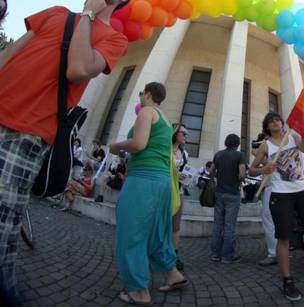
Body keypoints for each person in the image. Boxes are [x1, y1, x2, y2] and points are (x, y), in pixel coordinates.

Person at [0, 0, 128, 297]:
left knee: (3, 226)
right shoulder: (56, 12)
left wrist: (88, 15)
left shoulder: (114, 38)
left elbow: (79, 68)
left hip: (27, 132)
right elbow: (10, 52)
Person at [109, 82, 187, 305]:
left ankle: (138, 291)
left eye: (142, 93)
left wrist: (116, 146)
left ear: (149, 94)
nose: (140, 96)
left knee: (130, 233)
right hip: (161, 183)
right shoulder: (163, 117)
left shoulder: (146, 111)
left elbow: (139, 143)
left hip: (143, 179)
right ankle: (173, 274)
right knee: (156, 233)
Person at [249, 112, 304, 302]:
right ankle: (287, 280)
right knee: (284, 239)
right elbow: (251, 169)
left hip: (303, 190)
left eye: (278, 120)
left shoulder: (292, 137)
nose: (275, 122)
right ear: (267, 126)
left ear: (282, 123)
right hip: (280, 194)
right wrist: (263, 169)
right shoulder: (266, 145)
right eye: (271, 121)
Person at [209, 134, 247, 264]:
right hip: (232, 193)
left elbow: (211, 171)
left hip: (219, 192)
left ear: (226, 142)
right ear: (237, 144)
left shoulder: (218, 154)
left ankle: (215, 254)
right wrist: (241, 178)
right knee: (229, 225)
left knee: (218, 224)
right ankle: (227, 256)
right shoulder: (239, 155)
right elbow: (242, 174)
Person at [251, 133, 278, 266]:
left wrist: (258, 155)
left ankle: (274, 253)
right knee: (273, 220)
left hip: (273, 187)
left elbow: (270, 165)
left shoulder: (272, 149)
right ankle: (280, 249)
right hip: (273, 187)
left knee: (269, 220)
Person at [171, 123, 189, 271]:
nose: (185, 136)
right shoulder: (165, 149)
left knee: (176, 226)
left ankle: (174, 255)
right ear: (175, 133)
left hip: (178, 191)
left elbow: (184, 171)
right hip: (164, 190)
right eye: (183, 133)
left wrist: (185, 178)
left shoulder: (184, 153)